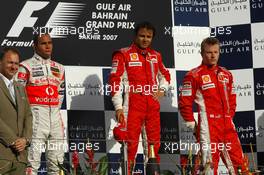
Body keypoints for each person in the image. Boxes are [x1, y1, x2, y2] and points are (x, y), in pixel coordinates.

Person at [179, 37, 249, 174]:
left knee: (240, 165)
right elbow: (184, 103)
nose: (212, 55)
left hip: (227, 125)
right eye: (209, 52)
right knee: (209, 167)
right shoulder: (193, 75)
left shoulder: (226, 74)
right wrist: (194, 127)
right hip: (208, 128)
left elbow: (232, 98)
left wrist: (229, 116)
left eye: (216, 52)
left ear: (219, 52)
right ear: (201, 53)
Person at [109, 21, 171, 173]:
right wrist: (118, 107)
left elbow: (166, 75)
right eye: (142, 36)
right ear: (135, 36)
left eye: (148, 37)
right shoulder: (123, 54)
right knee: (130, 146)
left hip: (152, 106)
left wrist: (162, 90)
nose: (145, 39)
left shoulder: (156, 56)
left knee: (153, 146)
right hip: (132, 104)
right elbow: (115, 81)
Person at [16, 33, 65, 175]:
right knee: (32, 163)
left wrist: (53, 109)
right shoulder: (25, 66)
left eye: (50, 42)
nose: (48, 46)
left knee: (57, 164)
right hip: (36, 120)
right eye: (43, 43)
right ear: (35, 46)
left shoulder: (60, 68)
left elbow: (60, 94)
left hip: (55, 121)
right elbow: (18, 95)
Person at [0, 47, 33, 175]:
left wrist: (25, 139)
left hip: (20, 157)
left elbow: (28, 116)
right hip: (2, 155)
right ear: (0, 62)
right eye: (10, 62)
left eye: (16, 63)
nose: (14, 67)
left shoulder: (20, 87)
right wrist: (13, 140)